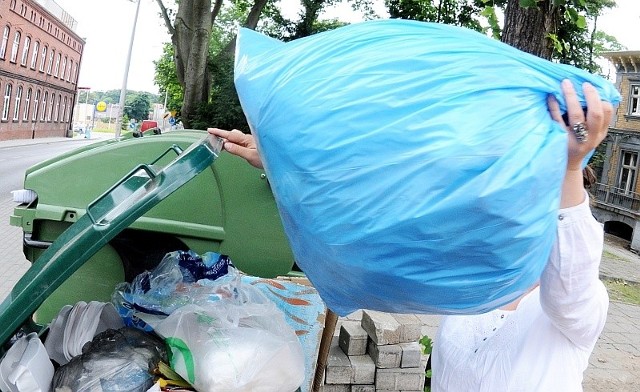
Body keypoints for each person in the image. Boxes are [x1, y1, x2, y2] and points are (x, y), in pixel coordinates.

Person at [208, 79, 614, 391]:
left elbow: (570, 270)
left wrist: (569, 167)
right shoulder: (473, 282)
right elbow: (382, 210)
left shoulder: (578, 310)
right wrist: (284, 160)